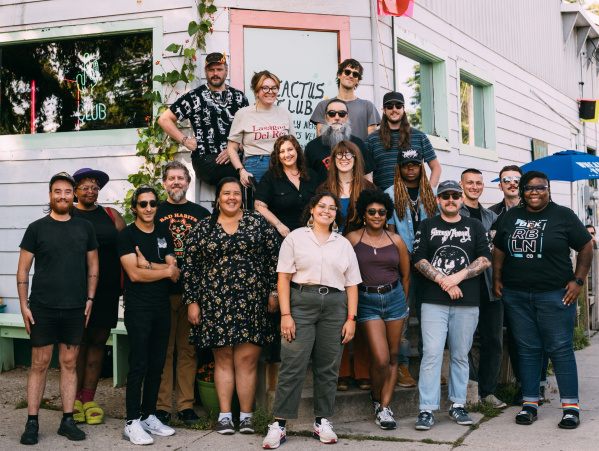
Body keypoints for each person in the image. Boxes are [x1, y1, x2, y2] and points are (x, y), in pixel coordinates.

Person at [492, 170, 593, 429]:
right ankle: (530, 403)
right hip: (516, 294)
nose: (534, 192)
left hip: (555, 294)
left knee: (560, 349)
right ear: (522, 191)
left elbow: (586, 246)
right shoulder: (512, 216)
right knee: (527, 349)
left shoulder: (563, 216)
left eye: (540, 188)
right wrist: (497, 277)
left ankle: (570, 408)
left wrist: (578, 281)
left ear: (548, 189)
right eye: (529, 188)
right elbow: (500, 248)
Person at [262, 192, 361, 449]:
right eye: (322, 206)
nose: (326, 211)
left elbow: (352, 285)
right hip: (300, 303)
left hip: (335, 306)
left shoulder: (343, 244)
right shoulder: (295, 238)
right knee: (292, 364)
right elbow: (283, 278)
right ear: (312, 210)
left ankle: (322, 421)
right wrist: (286, 314)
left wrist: (351, 318)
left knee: (328, 367)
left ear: (336, 215)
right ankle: (279, 425)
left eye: (332, 208)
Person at [182, 178, 280, 435]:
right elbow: (190, 268)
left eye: (236, 193)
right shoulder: (204, 227)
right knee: (223, 359)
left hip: (252, 302)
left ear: (242, 198)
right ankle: (225, 416)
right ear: (218, 197)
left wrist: (273, 292)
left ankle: (246, 416)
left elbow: (274, 259)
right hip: (215, 303)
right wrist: (192, 302)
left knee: (247, 360)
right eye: (226, 193)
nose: (232, 197)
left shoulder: (257, 223)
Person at [18, 172, 99, 445]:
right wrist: (23, 305)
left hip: (75, 308)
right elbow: (22, 271)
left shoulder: (84, 227)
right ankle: (32, 422)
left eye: (67, 191)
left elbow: (93, 266)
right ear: (50, 195)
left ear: (73, 195)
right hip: (42, 308)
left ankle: (67, 420)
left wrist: (89, 299)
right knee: (39, 364)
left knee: (68, 363)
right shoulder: (36, 228)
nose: (63, 196)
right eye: (58, 191)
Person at [412, 180, 492, 431]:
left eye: (455, 195)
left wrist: (456, 278)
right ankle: (427, 409)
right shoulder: (427, 225)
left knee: (460, 355)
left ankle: (458, 405)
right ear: (437, 200)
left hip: (467, 302)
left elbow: (485, 258)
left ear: (461, 199)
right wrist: (444, 282)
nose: (450, 200)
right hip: (433, 302)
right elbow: (419, 259)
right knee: (432, 354)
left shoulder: (475, 226)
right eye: (445, 195)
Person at [118, 185, 180, 445]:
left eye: (153, 204)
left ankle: (149, 415)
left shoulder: (164, 231)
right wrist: (162, 270)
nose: (148, 208)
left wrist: (149, 264)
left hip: (161, 306)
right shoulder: (126, 235)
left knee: (157, 364)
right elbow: (134, 274)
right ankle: (131, 421)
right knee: (139, 365)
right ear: (135, 208)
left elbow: (174, 268)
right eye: (143, 204)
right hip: (138, 308)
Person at [345, 189, 411, 430]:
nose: (376, 215)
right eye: (371, 211)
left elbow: (405, 274)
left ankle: (384, 407)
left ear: (387, 215)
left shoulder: (396, 240)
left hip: (394, 299)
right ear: (364, 213)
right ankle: (375, 396)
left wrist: (403, 302)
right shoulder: (352, 239)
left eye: (381, 212)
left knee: (394, 356)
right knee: (381, 359)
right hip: (366, 300)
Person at [154, 161, 210, 426]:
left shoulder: (201, 214)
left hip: (192, 295)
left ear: (188, 182)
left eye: (181, 178)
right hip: (161, 292)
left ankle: (186, 406)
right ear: (164, 182)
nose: (176, 182)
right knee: (163, 350)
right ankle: (162, 406)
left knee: (188, 351)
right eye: (171, 178)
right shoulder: (154, 211)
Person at [316, 140, 376, 390]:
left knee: (359, 310)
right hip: (331, 255)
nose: (344, 158)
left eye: (349, 155)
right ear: (332, 159)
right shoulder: (324, 187)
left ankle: (362, 370)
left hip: (361, 253)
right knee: (336, 314)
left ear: (356, 159)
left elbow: (377, 217)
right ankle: (340, 371)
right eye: (339, 155)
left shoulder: (368, 187)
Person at [71, 168, 126, 426]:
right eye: (85, 186)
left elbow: (126, 246)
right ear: (75, 191)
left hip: (106, 289)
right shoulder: (67, 214)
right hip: (75, 289)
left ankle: (90, 399)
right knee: (77, 343)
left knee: (98, 342)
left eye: (94, 187)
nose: (91, 191)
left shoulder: (110, 215)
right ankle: (74, 400)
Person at [385, 149, 439, 388]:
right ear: (400, 167)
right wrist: (403, 260)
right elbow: (389, 232)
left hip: (430, 264)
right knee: (403, 316)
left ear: (421, 166)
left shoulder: (433, 194)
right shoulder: (390, 194)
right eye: (406, 164)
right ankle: (402, 365)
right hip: (403, 265)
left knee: (430, 316)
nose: (411, 168)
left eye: (415, 164)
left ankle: (430, 365)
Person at [157, 52, 249, 185]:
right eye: (211, 70)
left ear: (226, 71)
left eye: (219, 69)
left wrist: (233, 149)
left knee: (253, 170)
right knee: (237, 177)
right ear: (205, 72)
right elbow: (164, 119)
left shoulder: (239, 97)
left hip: (235, 159)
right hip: (206, 159)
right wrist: (186, 141)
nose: (215, 73)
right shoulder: (195, 97)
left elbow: (248, 129)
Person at [458, 169, 505, 409]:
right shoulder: (455, 213)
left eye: (478, 183)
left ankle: (488, 392)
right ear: (461, 185)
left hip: (490, 286)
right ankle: (471, 388)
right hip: (465, 288)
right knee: (462, 342)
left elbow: (498, 251)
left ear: (483, 186)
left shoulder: (492, 217)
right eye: (470, 183)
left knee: (493, 341)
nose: (474, 186)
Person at [228, 71, 295, 187]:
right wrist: (241, 170)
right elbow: (231, 148)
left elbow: (294, 145)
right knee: (259, 203)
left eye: (274, 88)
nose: (270, 92)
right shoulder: (243, 114)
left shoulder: (284, 113)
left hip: (283, 164)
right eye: (265, 88)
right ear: (256, 91)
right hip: (255, 167)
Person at [365, 91, 441, 191]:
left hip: (414, 200)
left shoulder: (419, 136)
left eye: (398, 106)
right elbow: (364, 171)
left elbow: (436, 168)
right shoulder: (372, 140)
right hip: (384, 200)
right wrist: (373, 195)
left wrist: (429, 192)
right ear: (384, 110)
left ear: (403, 109)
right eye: (389, 106)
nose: (394, 109)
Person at [255, 135, 319, 237]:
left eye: (290, 149)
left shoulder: (311, 174)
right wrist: (279, 225)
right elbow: (259, 206)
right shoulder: (270, 178)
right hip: (283, 234)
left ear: (297, 151)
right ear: (277, 156)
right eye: (282, 152)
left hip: (311, 233)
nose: (287, 154)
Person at [305, 99, 373, 184]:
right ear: (326, 116)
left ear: (347, 116)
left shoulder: (358, 144)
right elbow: (307, 179)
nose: (337, 117)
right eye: (332, 114)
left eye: (341, 114)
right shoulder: (312, 147)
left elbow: (367, 176)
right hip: (322, 195)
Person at [310, 59, 380, 142]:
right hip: (331, 154)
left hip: (359, 154)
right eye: (347, 72)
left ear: (358, 80)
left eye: (355, 74)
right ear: (339, 75)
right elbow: (320, 138)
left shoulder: (368, 106)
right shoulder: (323, 105)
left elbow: (372, 140)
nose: (351, 76)